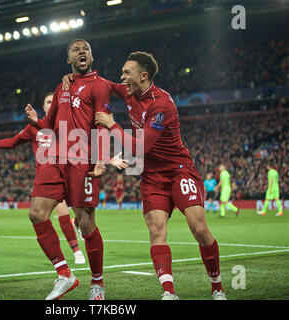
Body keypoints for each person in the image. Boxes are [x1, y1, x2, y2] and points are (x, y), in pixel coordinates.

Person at [88, 51, 226, 300]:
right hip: (152, 175)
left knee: (198, 226)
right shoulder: (128, 91)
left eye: (126, 73)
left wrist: (112, 125)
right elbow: (103, 84)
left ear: (143, 76)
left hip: (178, 170)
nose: (122, 78)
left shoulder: (162, 104)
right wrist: (73, 77)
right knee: (156, 229)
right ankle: (169, 293)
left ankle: (217, 286)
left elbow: (141, 148)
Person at [25, 39, 127, 300]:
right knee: (37, 214)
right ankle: (64, 274)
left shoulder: (101, 85)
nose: (82, 52)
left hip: (83, 157)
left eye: (86, 49)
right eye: (75, 50)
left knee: (85, 223)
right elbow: (51, 121)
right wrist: (39, 121)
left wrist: (101, 158)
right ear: (68, 59)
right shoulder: (62, 86)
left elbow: (103, 124)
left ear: (92, 56)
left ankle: (97, 284)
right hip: (56, 158)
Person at [0, 92, 86, 265]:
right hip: (49, 180)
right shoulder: (33, 128)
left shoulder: (67, 125)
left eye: (55, 101)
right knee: (60, 210)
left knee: (82, 214)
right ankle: (76, 251)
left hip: (69, 175)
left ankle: (78, 223)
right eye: (48, 101)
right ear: (44, 107)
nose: (51, 103)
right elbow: (13, 141)